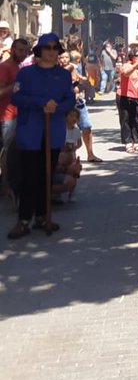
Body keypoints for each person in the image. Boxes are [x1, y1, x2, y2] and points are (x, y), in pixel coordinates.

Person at [7, 33, 75, 238]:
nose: (52, 52)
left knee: (46, 176)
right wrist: (40, 104)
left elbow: (70, 100)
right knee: (29, 178)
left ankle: (42, 216)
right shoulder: (26, 74)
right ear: (39, 51)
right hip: (31, 132)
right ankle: (24, 219)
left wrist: (57, 107)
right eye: (48, 48)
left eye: (56, 48)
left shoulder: (63, 75)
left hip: (53, 131)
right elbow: (16, 97)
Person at [0, 37, 29, 196]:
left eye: (25, 50)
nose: (23, 53)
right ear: (12, 50)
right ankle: (6, 185)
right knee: (8, 152)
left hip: (19, 114)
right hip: (7, 116)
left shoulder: (20, 67)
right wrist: (16, 85)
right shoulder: (5, 67)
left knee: (13, 152)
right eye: (20, 50)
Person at [118, 51, 138, 153]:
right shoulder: (126, 65)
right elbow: (126, 73)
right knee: (125, 119)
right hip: (124, 95)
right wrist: (135, 65)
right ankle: (127, 142)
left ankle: (136, 141)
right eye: (137, 55)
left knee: (136, 119)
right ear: (132, 57)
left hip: (137, 96)